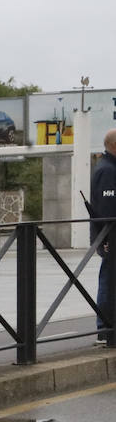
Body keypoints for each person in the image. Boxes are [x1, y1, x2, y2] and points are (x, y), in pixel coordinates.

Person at [91, 129, 116, 343]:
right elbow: (108, 207)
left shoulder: (109, 167)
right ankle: (106, 328)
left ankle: (108, 326)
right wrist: (106, 240)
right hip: (111, 237)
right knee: (109, 280)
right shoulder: (108, 171)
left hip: (110, 235)